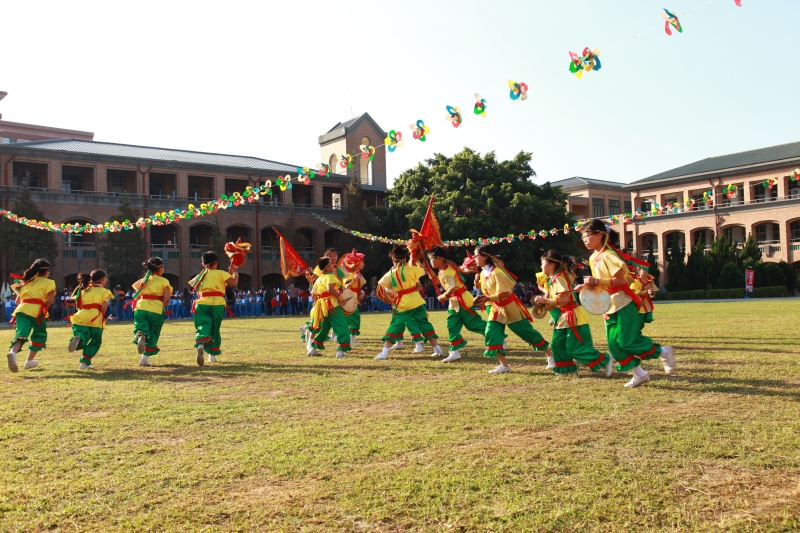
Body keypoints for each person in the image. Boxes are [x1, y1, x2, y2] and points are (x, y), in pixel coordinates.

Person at [576, 219, 675, 388]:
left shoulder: (609, 255)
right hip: (608, 306)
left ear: (600, 235)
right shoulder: (593, 258)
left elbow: (620, 280)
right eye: (583, 237)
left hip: (622, 303)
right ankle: (640, 375)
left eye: (587, 235)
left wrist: (596, 281)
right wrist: (586, 286)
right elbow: (601, 282)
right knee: (614, 345)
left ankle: (664, 352)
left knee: (626, 341)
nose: (584, 240)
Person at [472, 244, 554, 374]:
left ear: (485, 256)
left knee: (527, 333)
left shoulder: (497, 272)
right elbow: (485, 289)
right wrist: (477, 285)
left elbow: (506, 293)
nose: (474, 258)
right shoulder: (483, 273)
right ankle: (504, 366)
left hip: (510, 307)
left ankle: (550, 356)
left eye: (476, 255)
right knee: (491, 335)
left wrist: (488, 298)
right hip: (496, 309)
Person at [534, 250, 613, 377]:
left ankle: (605, 359)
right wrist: (544, 304)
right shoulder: (553, 279)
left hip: (572, 317)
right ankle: (566, 369)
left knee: (574, 348)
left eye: (542, 263)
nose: (541, 266)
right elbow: (557, 300)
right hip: (563, 317)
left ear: (551, 265)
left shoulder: (558, 279)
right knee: (557, 344)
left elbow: (565, 299)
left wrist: (546, 301)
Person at [374, 245, 444, 360]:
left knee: (395, 325)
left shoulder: (391, 273)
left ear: (393, 260)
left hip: (404, 303)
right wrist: (417, 260)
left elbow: (385, 289)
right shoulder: (412, 269)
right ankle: (438, 349)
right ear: (405, 258)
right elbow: (424, 271)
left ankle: (384, 353)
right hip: (416, 301)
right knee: (424, 324)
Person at [428, 246, 489, 363]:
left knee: (473, 324)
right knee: (452, 325)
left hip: (461, 301)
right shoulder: (445, 267)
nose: (430, 261)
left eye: (431, 259)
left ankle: (496, 335)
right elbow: (436, 280)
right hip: (455, 302)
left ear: (439, 258)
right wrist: (428, 270)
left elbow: (453, 289)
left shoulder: (448, 271)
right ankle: (454, 352)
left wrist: (443, 297)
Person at [189, 251, 239, 365]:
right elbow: (234, 283)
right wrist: (234, 272)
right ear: (216, 263)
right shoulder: (221, 273)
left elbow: (193, 286)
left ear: (203, 264)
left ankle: (201, 344)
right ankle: (212, 355)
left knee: (203, 325)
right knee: (215, 328)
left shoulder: (200, 276)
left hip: (202, 303)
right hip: (217, 304)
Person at [7, 259, 56, 372]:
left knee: (21, 333)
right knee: (39, 335)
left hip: (21, 310)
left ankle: (12, 352)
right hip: (37, 312)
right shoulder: (49, 282)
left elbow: (17, 302)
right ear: (47, 271)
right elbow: (50, 300)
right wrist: (43, 306)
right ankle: (29, 361)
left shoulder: (27, 282)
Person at [306, 257, 353, 358]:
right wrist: (342, 299)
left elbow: (313, 295)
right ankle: (340, 352)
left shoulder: (319, 279)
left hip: (322, 306)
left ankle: (313, 350)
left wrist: (320, 303)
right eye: (331, 264)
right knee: (343, 327)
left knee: (324, 329)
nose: (333, 265)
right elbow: (330, 289)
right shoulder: (330, 276)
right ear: (327, 267)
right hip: (332, 305)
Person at [68, 269, 113, 369]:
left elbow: (78, 306)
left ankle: (79, 340)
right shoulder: (105, 292)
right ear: (102, 280)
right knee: (95, 341)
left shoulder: (83, 290)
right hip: (96, 320)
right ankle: (85, 361)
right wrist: (105, 316)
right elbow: (104, 307)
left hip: (81, 317)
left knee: (82, 334)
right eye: (105, 279)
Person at [131, 257, 172, 366]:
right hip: (155, 309)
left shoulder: (143, 280)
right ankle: (144, 358)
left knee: (140, 327)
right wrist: (161, 306)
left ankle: (141, 336)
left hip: (140, 308)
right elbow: (166, 299)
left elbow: (137, 295)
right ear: (161, 268)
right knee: (154, 333)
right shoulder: (164, 281)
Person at [342, 249, 367, 347]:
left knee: (349, 319)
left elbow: (357, 288)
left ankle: (343, 336)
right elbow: (347, 287)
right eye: (362, 262)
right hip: (350, 301)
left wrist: (361, 293)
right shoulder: (351, 275)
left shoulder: (357, 274)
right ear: (356, 263)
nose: (363, 264)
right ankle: (351, 339)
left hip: (354, 300)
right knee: (354, 318)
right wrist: (354, 280)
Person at [630, 266, 657, 330]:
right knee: (640, 323)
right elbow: (634, 293)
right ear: (639, 270)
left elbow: (653, 293)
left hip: (647, 303)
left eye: (647, 269)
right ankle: (635, 330)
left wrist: (652, 293)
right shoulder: (636, 281)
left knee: (649, 318)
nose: (646, 271)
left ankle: (635, 323)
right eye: (644, 269)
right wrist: (646, 292)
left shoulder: (650, 280)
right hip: (639, 304)